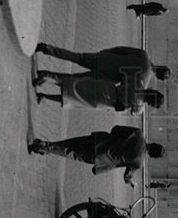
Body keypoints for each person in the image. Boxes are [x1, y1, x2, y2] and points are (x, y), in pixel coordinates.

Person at [28, 126, 164, 186]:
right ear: (152, 155)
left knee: (71, 142)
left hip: (100, 141)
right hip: (100, 158)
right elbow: (127, 176)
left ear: (153, 143)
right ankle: (44, 147)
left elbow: (116, 129)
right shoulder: (139, 162)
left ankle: (45, 146)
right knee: (71, 152)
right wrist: (130, 183)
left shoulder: (138, 133)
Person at [33, 42, 170, 90]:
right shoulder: (143, 82)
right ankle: (46, 75)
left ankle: (47, 48)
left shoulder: (144, 55)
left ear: (160, 66)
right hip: (107, 76)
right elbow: (124, 85)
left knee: (76, 56)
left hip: (105, 58)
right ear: (158, 78)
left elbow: (121, 49)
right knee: (76, 79)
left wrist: (106, 52)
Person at [33, 71, 164, 114]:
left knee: (75, 85)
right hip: (105, 101)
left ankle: (48, 79)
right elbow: (126, 110)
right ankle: (44, 96)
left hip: (108, 88)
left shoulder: (139, 84)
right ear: (151, 104)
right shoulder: (139, 107)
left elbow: (124, 78)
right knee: (72, 99)